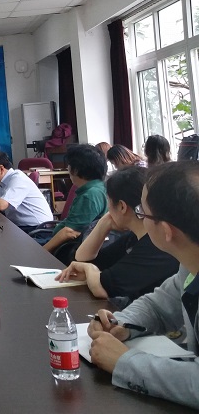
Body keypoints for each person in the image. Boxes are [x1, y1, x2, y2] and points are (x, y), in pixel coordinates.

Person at [88, 161, 199, 409]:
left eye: (142, 213)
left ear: (167, 231)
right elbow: (159, 306)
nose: (139, 217)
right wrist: (121, 323)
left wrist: (125, 362)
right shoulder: (190, 264)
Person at [55, 166, 178, 304]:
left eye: (108, 201)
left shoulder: (156, 245)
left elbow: (103, 288)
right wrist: (103, 224)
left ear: (122, 206)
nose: (108, 208)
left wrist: (89, 270)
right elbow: (82, 261)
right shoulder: (133, 237)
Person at [41, 144, 108, 254]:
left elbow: (69, 232)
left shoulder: (90, 196)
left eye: (69, 165)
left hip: (67, 248)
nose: (67, 168)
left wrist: (42, 252)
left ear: (76, 170)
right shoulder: (99, 187)